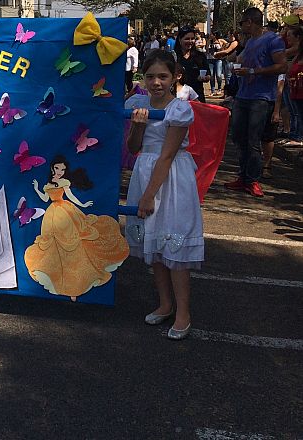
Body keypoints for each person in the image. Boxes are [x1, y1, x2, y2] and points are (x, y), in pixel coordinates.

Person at [125, 50, 202, 340]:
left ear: (175, 77)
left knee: (174, 243)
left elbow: (168, 155)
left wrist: (147, 196)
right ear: (142, 78)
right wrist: (138, 125)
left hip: (171, 178)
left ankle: (183, 312)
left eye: (163, 76)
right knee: (154, 244)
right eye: (150, 76)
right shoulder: (138, 103)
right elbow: (133, 147)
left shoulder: (180, 109)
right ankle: (165, 304)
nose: (156, 82)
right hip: (145, 169)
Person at [24, 156, 129, 302]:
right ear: (52, 168)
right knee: (56, 248)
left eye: (63, 169)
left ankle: (78, 284)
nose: (60, 171)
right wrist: (36, 188)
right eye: (57, 168)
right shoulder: (47, 185)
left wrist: (83, 205)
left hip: (66, 213)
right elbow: (44, 199)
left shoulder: (64, 182)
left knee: (76, 245)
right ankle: (63, 283)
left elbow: (71, 196)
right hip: (52, 216)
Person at [226, 7, 287, 197]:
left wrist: (253, 72)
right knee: (238, 137)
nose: (241, 25)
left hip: (261, 98)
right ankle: (243, 176)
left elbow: (282, 66)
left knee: (253, 140)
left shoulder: (273, 40)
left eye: (243, 22)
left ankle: (252, 180)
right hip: (244, 96)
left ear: (250, 22)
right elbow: (242, 60)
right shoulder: (250, 41)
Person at [175, 26, 211, 102]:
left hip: (197, 96)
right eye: (187, 39)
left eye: (192, 39)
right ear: (179, 40)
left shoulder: (200, 56)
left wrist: (205, 78)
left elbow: (208, 74)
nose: (190, 41)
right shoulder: (174, 56)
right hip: (178, 97)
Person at [207, 32, 227, 97]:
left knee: (218, 75)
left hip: (218, 59)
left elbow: (227, 44)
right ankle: (212, 90)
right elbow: (207, 50)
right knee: (212, 75)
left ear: (215, 35)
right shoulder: (209, 41)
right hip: (210, 59)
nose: (210, 36)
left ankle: (219, 88)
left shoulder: (220, 40)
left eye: (211, 34)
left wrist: (222, 49)